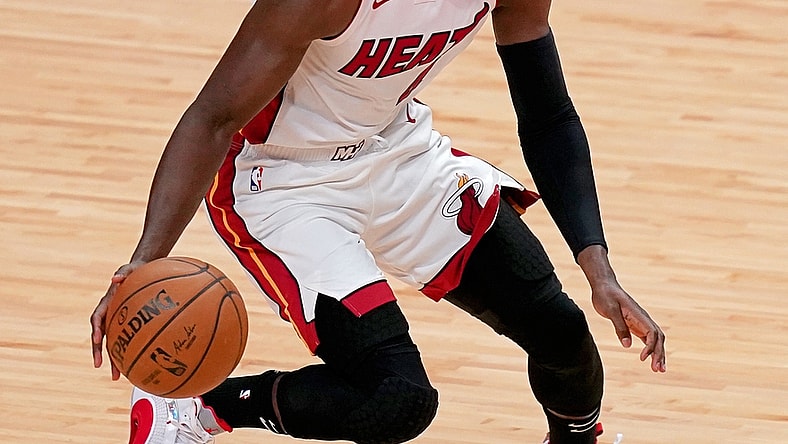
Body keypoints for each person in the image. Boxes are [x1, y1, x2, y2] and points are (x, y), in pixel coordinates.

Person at [90, 0, 667, 443]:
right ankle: (201, 405)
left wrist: (599, 268)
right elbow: (213, 117)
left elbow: (547, 115)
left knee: (560, 331)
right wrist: (144, 262)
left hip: (398, 151)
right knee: (398, 402)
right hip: (286, 182)